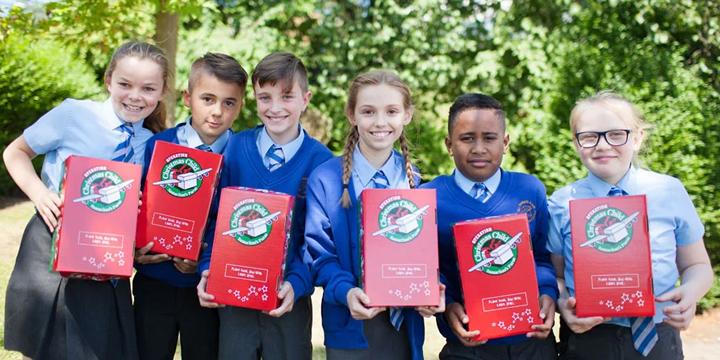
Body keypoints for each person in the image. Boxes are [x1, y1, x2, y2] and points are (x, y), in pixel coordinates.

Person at [2, 41, 170, 360]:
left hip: (107, 255)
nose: (135, 96)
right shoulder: (73, 114)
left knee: (97, 348)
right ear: (108, 80)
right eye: (125, 84)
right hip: (51, 242)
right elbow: (15, 152)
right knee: (47, 346)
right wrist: (40, 194)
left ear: (162, 92)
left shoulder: (152, 143)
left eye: (148, 88)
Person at [548, 91, 714, 360]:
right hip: (588, 339)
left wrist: (690, 293)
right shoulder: (562, 202)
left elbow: (698, 266)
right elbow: (554, 274)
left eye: (616, 134)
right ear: (576, 143)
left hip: (659, 335)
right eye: (589, 137)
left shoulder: (668, 191)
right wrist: (561, 304)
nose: (602, 145)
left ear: (637, 138)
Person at [196, 51, 333, 360]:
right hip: (233, 299)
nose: (275, 108)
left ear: (305, 98)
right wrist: (207, 268)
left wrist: (297, 283)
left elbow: (317, 238)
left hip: (287, 300)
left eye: (286, 97)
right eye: (264, 97)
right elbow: (214, 218)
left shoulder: (322, 162)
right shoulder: (236, 147)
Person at [305, 70, 444, 360]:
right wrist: (345, 292)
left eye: (391, 111)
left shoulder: (415, 183)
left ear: (407, 115)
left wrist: (430, 289)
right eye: (368, 111)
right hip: (350, 326)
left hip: (404, 329)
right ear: (351, 115)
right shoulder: (326, 180)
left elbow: (425, 254)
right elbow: (320, 256)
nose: (380, 122)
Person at [421, 93, 557, 359]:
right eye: (467, 138)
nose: (479, 148)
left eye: (490, 138)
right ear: (449, 144)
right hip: (468, 344)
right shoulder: (430, 198)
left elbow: (542, 257)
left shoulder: (530, 189)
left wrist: (548, 293)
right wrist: (448, 306)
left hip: (532, 341)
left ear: (505, 142)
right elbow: (429, 269)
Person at [133, 52, 248, 360]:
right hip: (154, 283)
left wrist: (206, 258)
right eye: (207, 99)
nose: (217, 112)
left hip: (207, 291)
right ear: (187, 98)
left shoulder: (242, 155)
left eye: (229, 102)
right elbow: (139, 205)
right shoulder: (157, 146)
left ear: (240, 105)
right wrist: (136, 248)